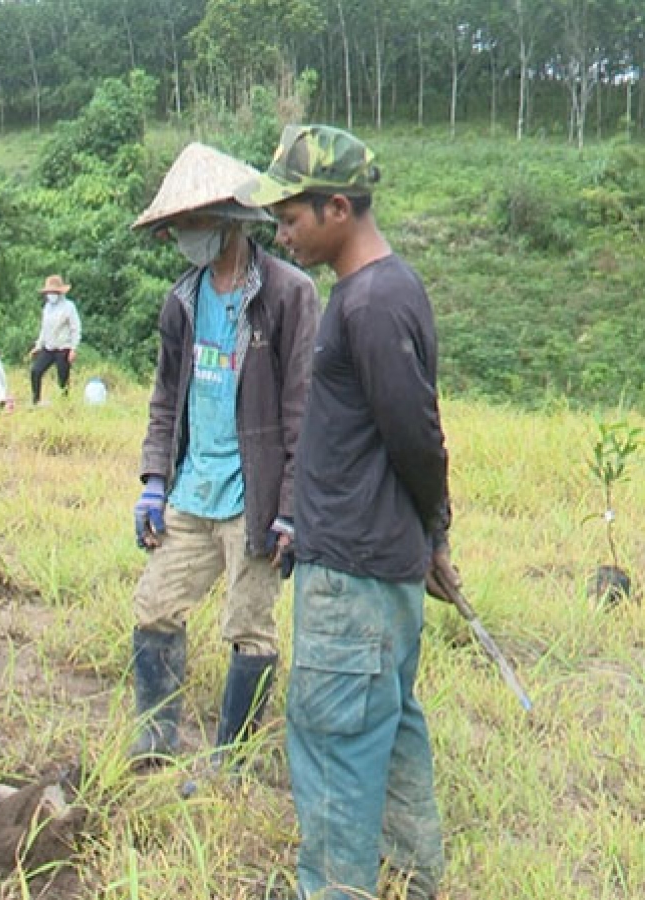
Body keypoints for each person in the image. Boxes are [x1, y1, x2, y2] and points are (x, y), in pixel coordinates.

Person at [238, 124, 458, 900]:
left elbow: (417, 438)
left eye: (292, 219)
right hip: (379, 566)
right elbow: (411, 435)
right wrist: (429, 537)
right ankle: (408, 880)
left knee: (334, 749)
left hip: (354, 581)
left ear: (338, 208)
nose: (283, 235)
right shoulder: (382, 293)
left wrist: (434, 530)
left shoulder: (369, 303)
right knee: (389, 733)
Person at [125, 143, 319, 770]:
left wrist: (289, 510)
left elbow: (303, 411)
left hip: (254, 499)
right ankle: (155, 740)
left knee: (249, 628)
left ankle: (227, 760)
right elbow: (164, 399)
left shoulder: (288, 295)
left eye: (192, 223)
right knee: (154, 606)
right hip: (192, 489)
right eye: (177, 226)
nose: (183, 236)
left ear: (228, 220)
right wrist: (155, 479)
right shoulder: (182, 301)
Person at [28, 275, 80, 404]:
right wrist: (38, 345)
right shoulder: (47, 307)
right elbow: (44, 329)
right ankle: (36, 400)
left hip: (63, 348)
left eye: (53, 292)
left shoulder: (69, 307)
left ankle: (64, 403)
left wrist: (74, 348)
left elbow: (75, 328)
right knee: (36, 371)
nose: (51, 295)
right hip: (49, 347)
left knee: (63, 378)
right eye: (49, 292)